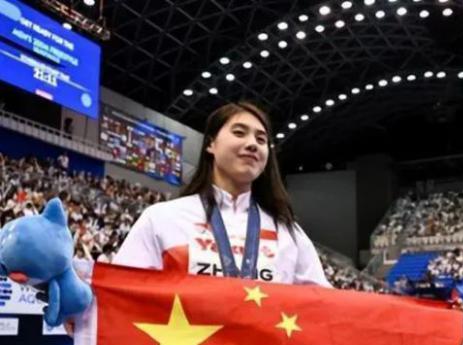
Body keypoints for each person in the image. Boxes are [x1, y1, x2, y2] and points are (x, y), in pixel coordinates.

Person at [112, 101, 331, 287]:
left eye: (261, 140)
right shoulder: (162, 218)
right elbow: (121, 293)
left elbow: (324, 306)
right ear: (211, 144)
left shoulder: (288, 232)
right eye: (239, 133)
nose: (252, 144)